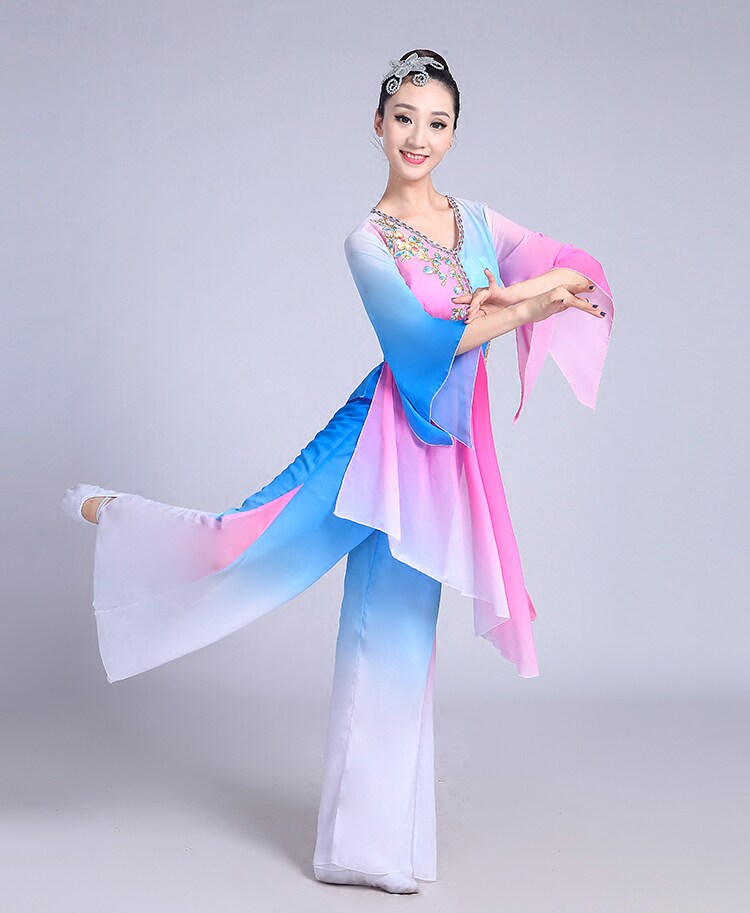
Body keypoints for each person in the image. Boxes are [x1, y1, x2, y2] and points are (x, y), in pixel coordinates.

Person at [62, 48, 614, 895]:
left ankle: (370, 849)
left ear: (454, 133)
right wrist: (526, 302)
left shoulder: (479, 222)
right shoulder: (368, 242)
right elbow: (423, 347)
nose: (419, 137)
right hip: (373, 442)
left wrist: (524, 289)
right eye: (405, 119)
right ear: (378, 125)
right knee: (242, 540)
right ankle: (115, 514)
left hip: (440, 457)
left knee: (397, 637)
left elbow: (583, 270)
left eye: (437, 123)